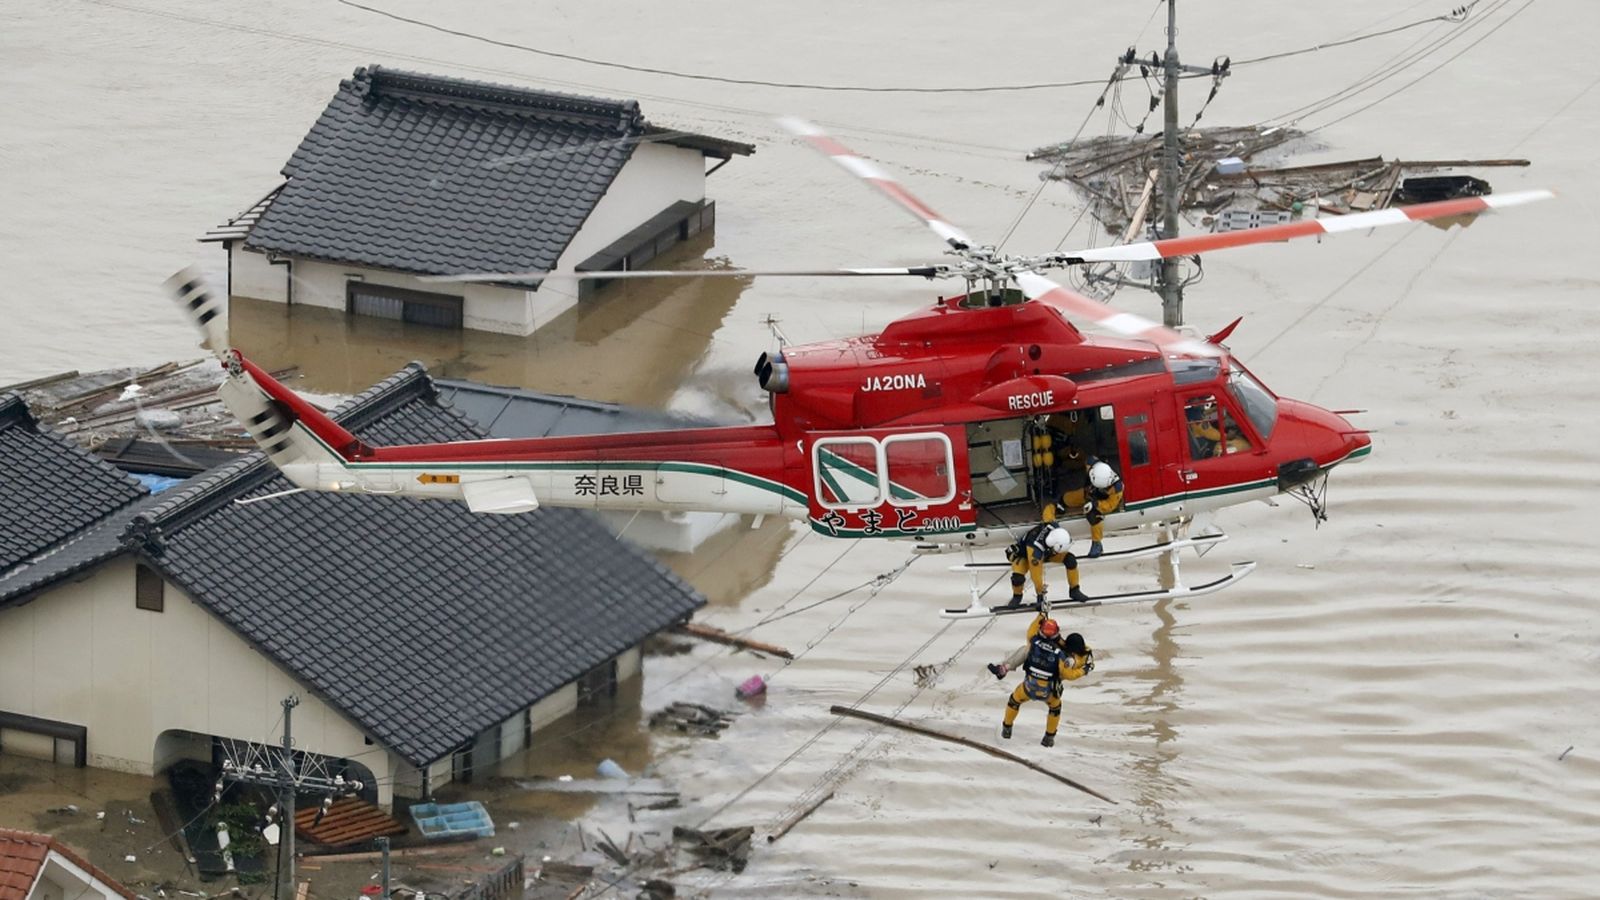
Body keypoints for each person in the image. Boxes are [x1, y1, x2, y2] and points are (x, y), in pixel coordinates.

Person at [988, 612, 1094, 747]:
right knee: (1055, 709)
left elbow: (1031, 630)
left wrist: (1041, 616)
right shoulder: (1061, 655)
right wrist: (1084, 670)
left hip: (1028, 688)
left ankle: (1007, 728)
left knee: (1014, 701)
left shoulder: (1034, 643)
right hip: (1049, 692)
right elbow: (1069, 675)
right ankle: (1049, 738)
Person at [1005, 522, 1089, 608]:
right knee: (1018, 577)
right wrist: (1040, 594)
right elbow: (1036, 575)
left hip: (1046, 552)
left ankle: (1074, 590)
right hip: (1026, 556)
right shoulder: (1035, 551)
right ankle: (1017, 596)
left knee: (1070, 559)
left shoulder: (1055, 528)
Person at [1083, 460, 1123, 558]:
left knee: (1093, 516)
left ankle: (1097, 543)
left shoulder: (1116, 488)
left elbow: (1110, 505)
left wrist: (1095, 504)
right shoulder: (1094, 466)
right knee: (1070, 498)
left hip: (1103, 500)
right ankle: (1062, 502)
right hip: (1092, 492)